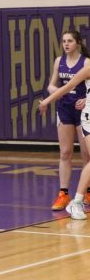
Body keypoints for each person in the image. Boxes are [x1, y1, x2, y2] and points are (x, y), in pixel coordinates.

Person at [39, 42, 90, 220]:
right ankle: (74, 199)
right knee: (69, 153)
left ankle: (80, 197)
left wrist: (86, 98)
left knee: (88, 157)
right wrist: (46, 101)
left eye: (70, 41)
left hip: (84, 109)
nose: (66, 44)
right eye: (64, 41)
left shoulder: (85, 62)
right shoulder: (86, 67)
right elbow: (65, 87)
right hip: (84, 115)